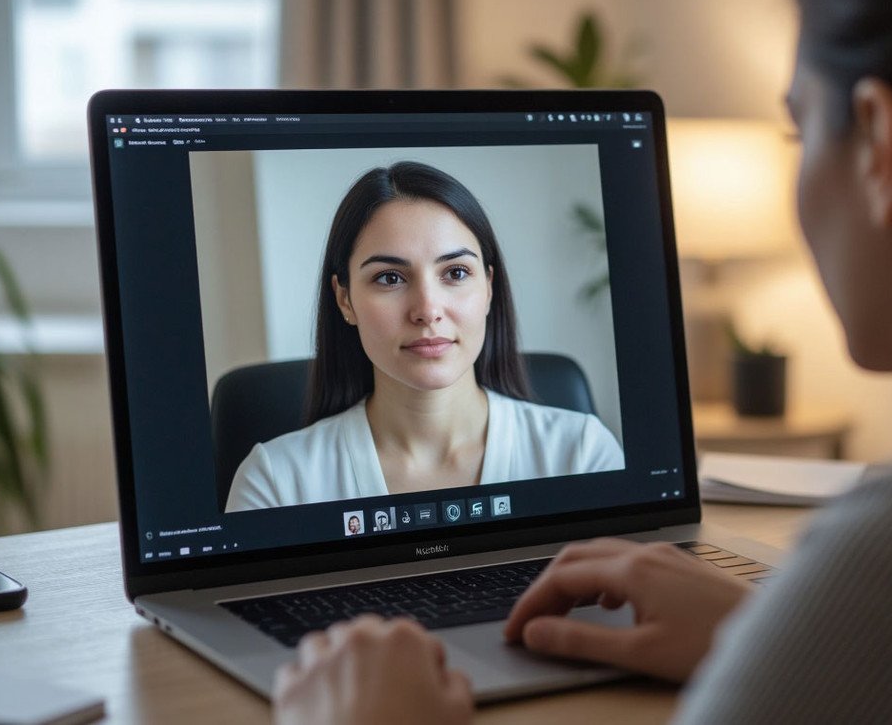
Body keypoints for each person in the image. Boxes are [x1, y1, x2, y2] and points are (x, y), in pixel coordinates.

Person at [273, 0, 892, 722]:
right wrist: (787, 639)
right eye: (389, 278)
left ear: (882, 148)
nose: (428, 306)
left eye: (796, 131)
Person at [225, 162, 623, 512]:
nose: (427, 310)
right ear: (344, 300)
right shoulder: (275, 483)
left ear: (488, 286)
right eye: (390, 278)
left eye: (455, 273)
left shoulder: (583, 455)